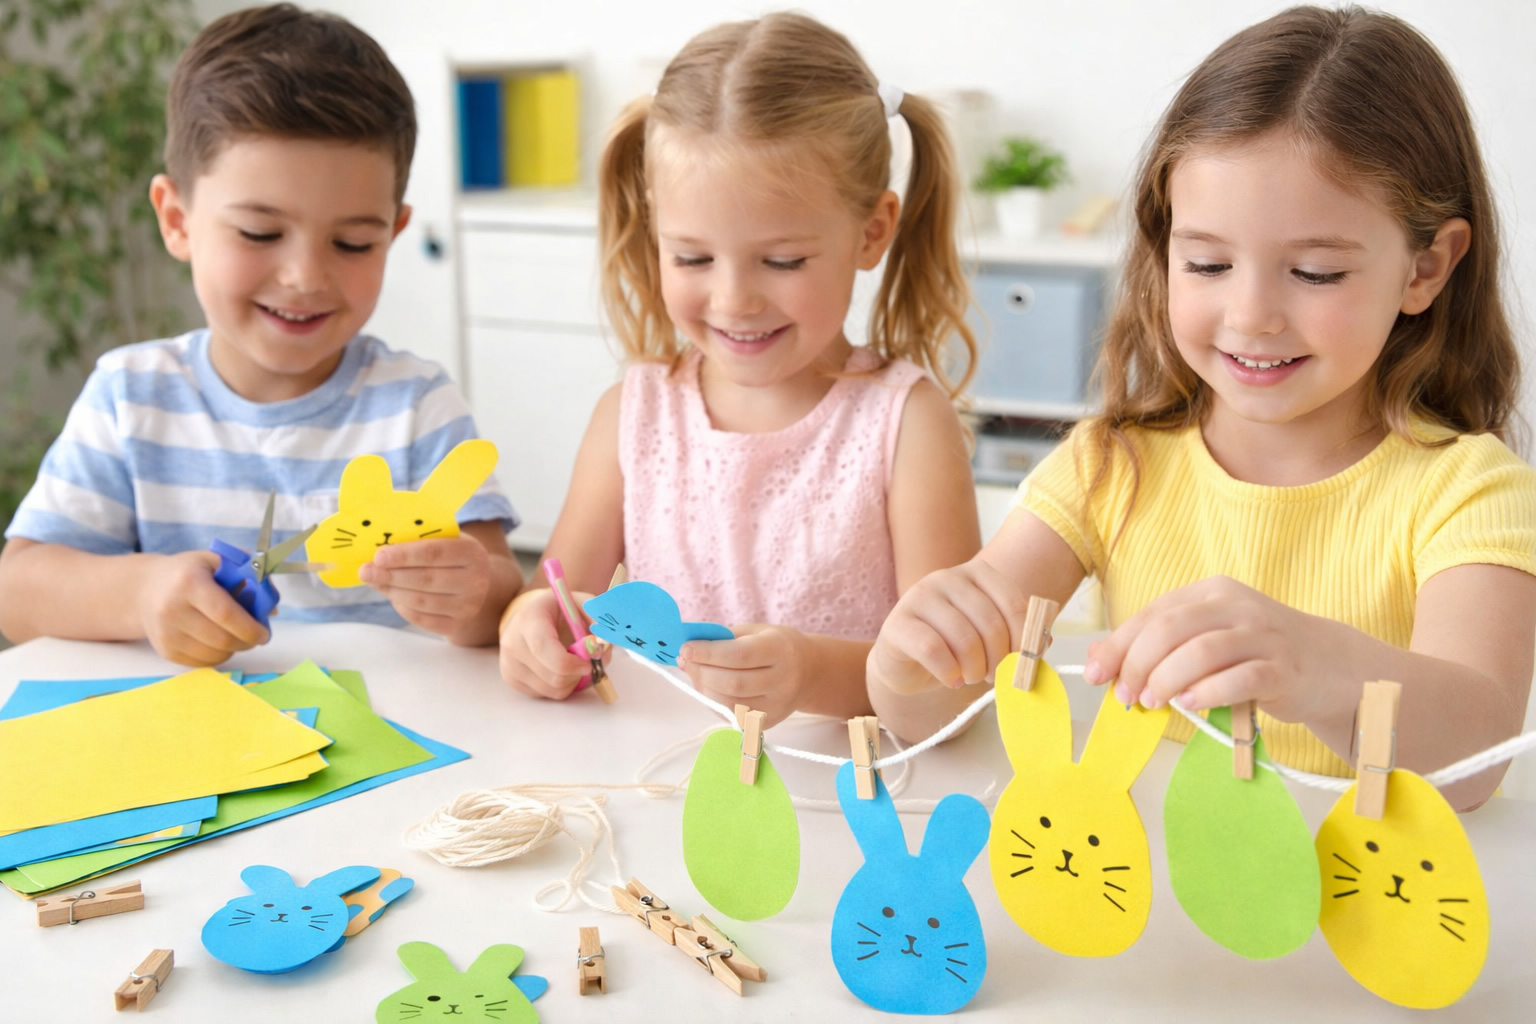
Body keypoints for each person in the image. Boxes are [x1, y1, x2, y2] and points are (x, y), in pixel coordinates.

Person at [867, 5, 1536, 809]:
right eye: (1209, 263)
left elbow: (1480, 756)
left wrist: (1317, 668)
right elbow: (936, 710)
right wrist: (907, 660)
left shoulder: (1471, 493)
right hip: (1141, 903)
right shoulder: (1108, 465)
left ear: (1426, 269)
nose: (1251, 314)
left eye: (1317, 273)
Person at [499, 12, 981, 732]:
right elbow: (558, 599)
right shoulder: (632, 416)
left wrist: (812, 672)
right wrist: (529, 627)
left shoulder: (906, 425)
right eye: (692, 258)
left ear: (872, 232)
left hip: (847, 800)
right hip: (652, 785)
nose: (733, 300)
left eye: (783, 261)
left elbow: (954, 683)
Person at [0, 4, 522, 665]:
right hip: (192, 739)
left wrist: (473, 595)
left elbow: (503, 595)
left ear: (392, 233)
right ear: (178, 220)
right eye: (260, 233)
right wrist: (143, 591)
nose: (305, 277)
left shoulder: (416, 404)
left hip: (396, 744)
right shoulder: (130, 397)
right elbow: (18, 591)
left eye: (353, 242)